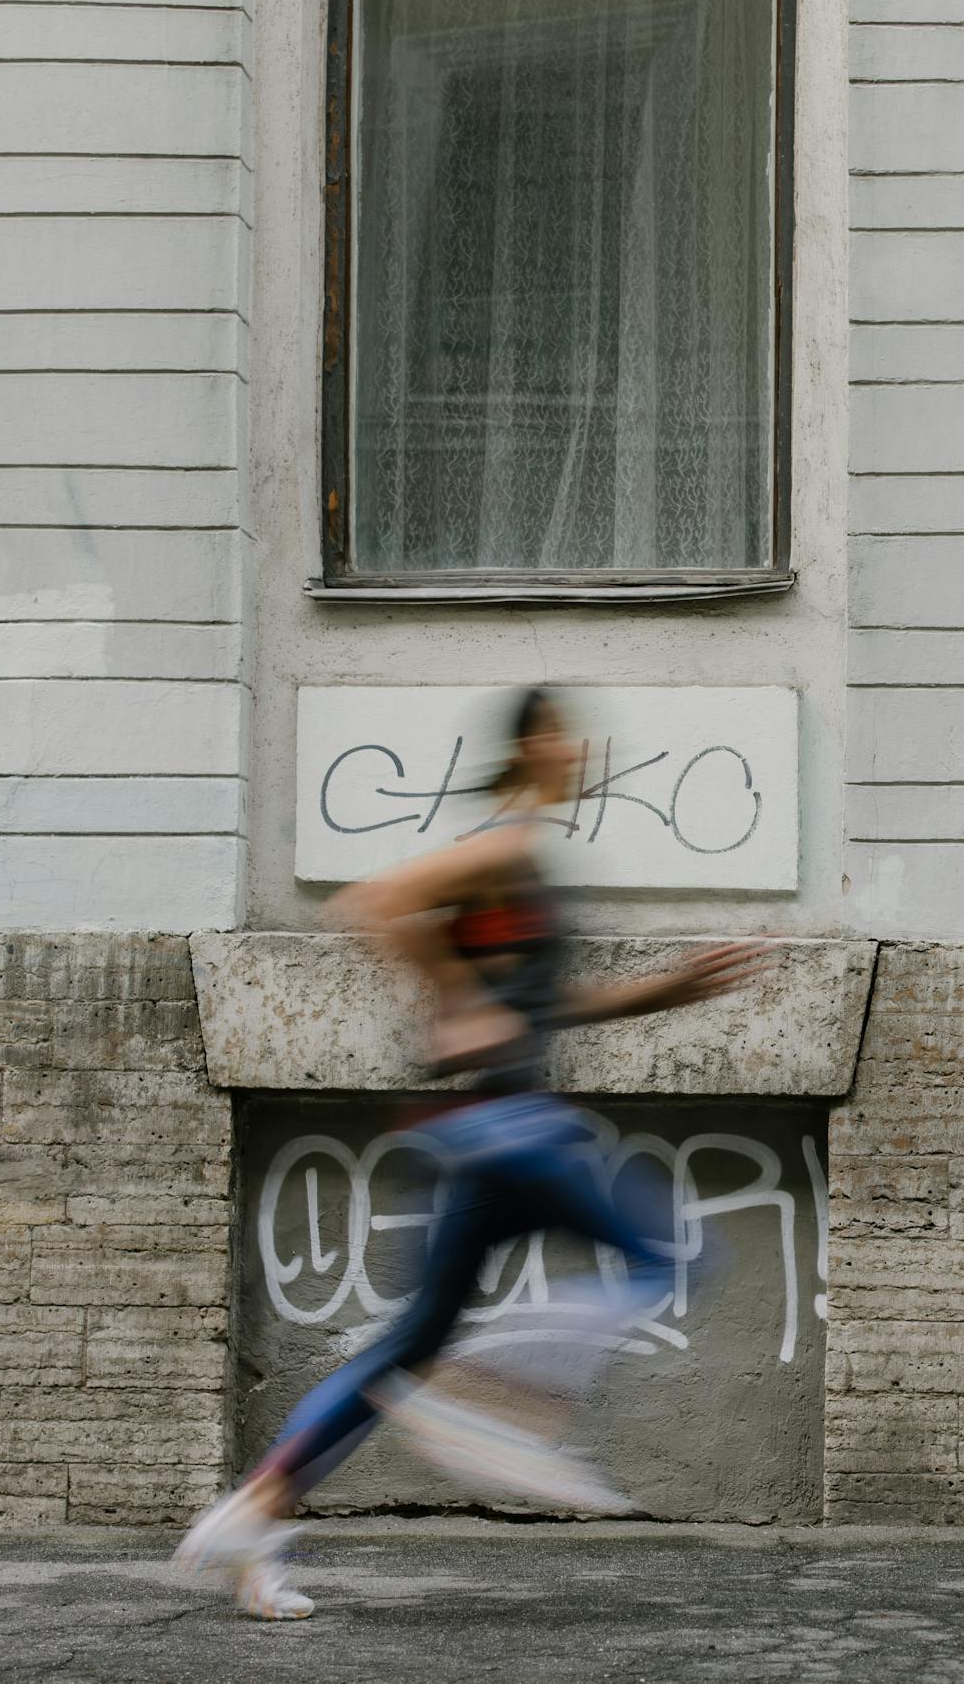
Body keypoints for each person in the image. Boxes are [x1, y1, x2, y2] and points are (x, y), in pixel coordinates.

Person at [176, 687, 774, 1620]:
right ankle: (504, 1387)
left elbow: (544, 1000)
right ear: (533, 745)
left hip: (470, 1140)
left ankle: (255, 1518)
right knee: (680, 1252)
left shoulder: (524, 860)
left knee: (406, 1346)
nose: (580, 754)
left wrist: (669, 990)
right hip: (514, 1132)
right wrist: (455, 989)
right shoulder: (504, 847)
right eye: (566, 738)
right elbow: (375, 900)